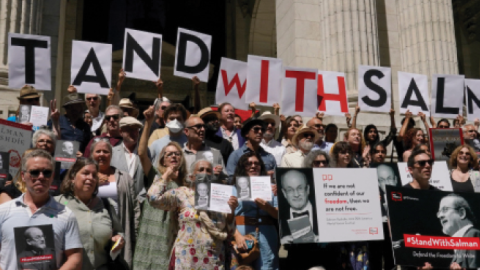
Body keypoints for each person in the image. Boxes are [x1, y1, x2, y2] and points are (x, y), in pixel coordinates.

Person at [0, 149, 83, 269]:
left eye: (47, 172)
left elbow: (75, 256)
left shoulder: (66, 215)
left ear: (52, 176)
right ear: (23, 176)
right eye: (34, 172)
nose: (41, 177)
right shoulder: (3, 211)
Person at [133, 107, 183, 270]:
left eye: (177, 154)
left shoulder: (184, 182)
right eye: (169, 154)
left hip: (169, 234)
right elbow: (141, 153)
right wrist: (147, 123)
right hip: (149, 232)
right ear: (162, 159)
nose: (174, 156)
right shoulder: (154, 174)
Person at [56, 157, 126, 270]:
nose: (90, 178)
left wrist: (118, 239)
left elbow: (119, 232)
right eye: (85, 173)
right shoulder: (58, 203)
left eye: (94, 175)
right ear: (73, 177)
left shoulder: (107, 205)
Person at [89, 139, 140, 267]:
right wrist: (94, 182)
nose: (101, 154)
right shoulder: (85, 177)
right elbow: (72, 200)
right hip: (94, 233)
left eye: (105, 151)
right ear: (91, 155)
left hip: (120, 234)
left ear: (111, 155)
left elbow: (135, 208)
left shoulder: (125, 177)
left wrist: (135, 234)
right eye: (98, 151)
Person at [232, 152, 278, 269]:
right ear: (242, 167)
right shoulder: (233, 189)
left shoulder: (272, 188)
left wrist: (267, 207)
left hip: (266, 234)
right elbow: (226, 218)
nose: (253, 166)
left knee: (268, 266)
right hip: (242, 235)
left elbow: (279, 215)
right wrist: (237, 236)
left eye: (256, 163)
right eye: (248, 164)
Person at [437, 194, 480, 269]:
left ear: (461, 213)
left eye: (445, 209)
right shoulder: (459, 247)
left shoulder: (473, 235)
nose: (440, 216)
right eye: (439, 212)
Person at [226, 118, 276, 182]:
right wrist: (263, 175)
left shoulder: (269, 157)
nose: (260, 132)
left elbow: (275, 180)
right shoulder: (235, 155)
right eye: (256, 129)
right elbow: (230, 179)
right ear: (247, 134)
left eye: (262, 130)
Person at [111, 116, 149, 201]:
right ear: (121, 132)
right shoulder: (112, 153)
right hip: (118, 202)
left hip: (140, 203)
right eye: (130, 129)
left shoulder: (146, 152)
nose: (134, 133)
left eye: (136, 129)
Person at [182, 116, 226, 183]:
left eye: (203, 126)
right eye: (198, 126)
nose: (202, 129)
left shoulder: (215, 153)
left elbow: (225, 180)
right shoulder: (180, 155)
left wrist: (218, 176)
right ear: (186, 131)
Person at [279, 169, 318, 244]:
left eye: (300, 188)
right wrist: (280, 243)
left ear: (307, 189)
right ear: (284, 193)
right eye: (290, 190)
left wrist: (325, 240)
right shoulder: (279, 217)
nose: (296, 194)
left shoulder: (323, 211)